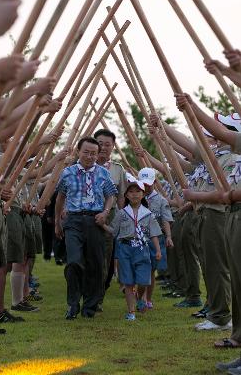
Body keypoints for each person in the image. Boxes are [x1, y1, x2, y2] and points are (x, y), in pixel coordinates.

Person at [55, 137, 118, 319]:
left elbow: (110, 196)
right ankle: (73, 303)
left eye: (93, 153)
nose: (90, 156)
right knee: (74, 261)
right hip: (73, 220)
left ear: (98, 155)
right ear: (78, 152)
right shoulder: (68, 173)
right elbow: (60, 198)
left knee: (96, 265)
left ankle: (90, 306)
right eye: (86, 152)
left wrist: (105, 213)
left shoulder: (103, 173)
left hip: (95, 221)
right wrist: (58, 223)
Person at [104, 181, 162, 320]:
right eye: (131, 192)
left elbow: (154, 233)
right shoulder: (122, 213)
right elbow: (113, 231)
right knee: (128, 282)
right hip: (125, 248)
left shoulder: (148, 214)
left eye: (138, 191)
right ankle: (131, 312)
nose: (134, 194)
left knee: (144, 281)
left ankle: (140, 297)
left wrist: (158, 250)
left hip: (142, 249)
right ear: (126, 196)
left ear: (143, 194)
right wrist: (102, 226)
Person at [94, 129, 127, 305]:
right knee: (87, 256)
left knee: (106, 257)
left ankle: (98, 297)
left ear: (113, 147)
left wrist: (122, 219)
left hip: (110, 215)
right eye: (100, 143)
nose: (103, 148)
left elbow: (121, 196)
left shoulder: (117, 169)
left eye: (108, 144)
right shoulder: (84, 165)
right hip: (87, 214)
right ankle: (87, 293)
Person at [137, 168, 173, 310]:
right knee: (140, 269)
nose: (146, 187)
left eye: (148, 184)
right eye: (143, 184)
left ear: (154, 182)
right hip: (138, 239)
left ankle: (147, 299)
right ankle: (139, 296)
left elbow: (166, 220)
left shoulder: (160, 200)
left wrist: (169, 236)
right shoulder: (134, 197)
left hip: (154, 240)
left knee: (150, 270)